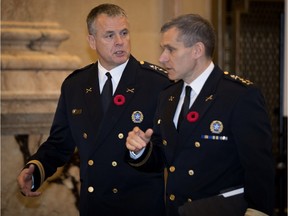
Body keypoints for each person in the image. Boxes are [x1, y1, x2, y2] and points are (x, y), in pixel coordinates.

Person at [17, 4, 171, 216]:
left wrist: (142, 151)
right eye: (109, 35)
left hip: (140, 206)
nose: (119, 41)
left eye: (124, 33)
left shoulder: (157, 83)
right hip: (94, 205)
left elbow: (169, 149)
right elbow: (60, 142)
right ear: (91, 41)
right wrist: (36, 169)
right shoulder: (76, 85)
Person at [126, 14, 275, 216]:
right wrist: (141, 150)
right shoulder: (168, 96)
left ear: (197, 50)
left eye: (171, 49)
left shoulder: (239, 95)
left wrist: (257, 211)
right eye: (163, 49)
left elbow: (259, 167)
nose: (162, 57)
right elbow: (165, 156)